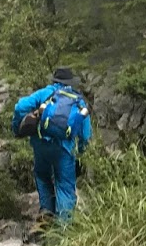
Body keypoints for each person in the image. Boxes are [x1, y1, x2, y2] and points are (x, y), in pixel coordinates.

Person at [12, 66, 92, 224]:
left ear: (55, 80)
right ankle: (64, 228)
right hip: (64, 148)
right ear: (71, 82)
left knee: (42, 175)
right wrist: (81, 153)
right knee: (64, 185)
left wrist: (17, 128)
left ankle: (47, 212)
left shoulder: (46, 93)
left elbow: (20, 107)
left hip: (41, 144)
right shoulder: (78, 101)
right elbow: (85, 134)